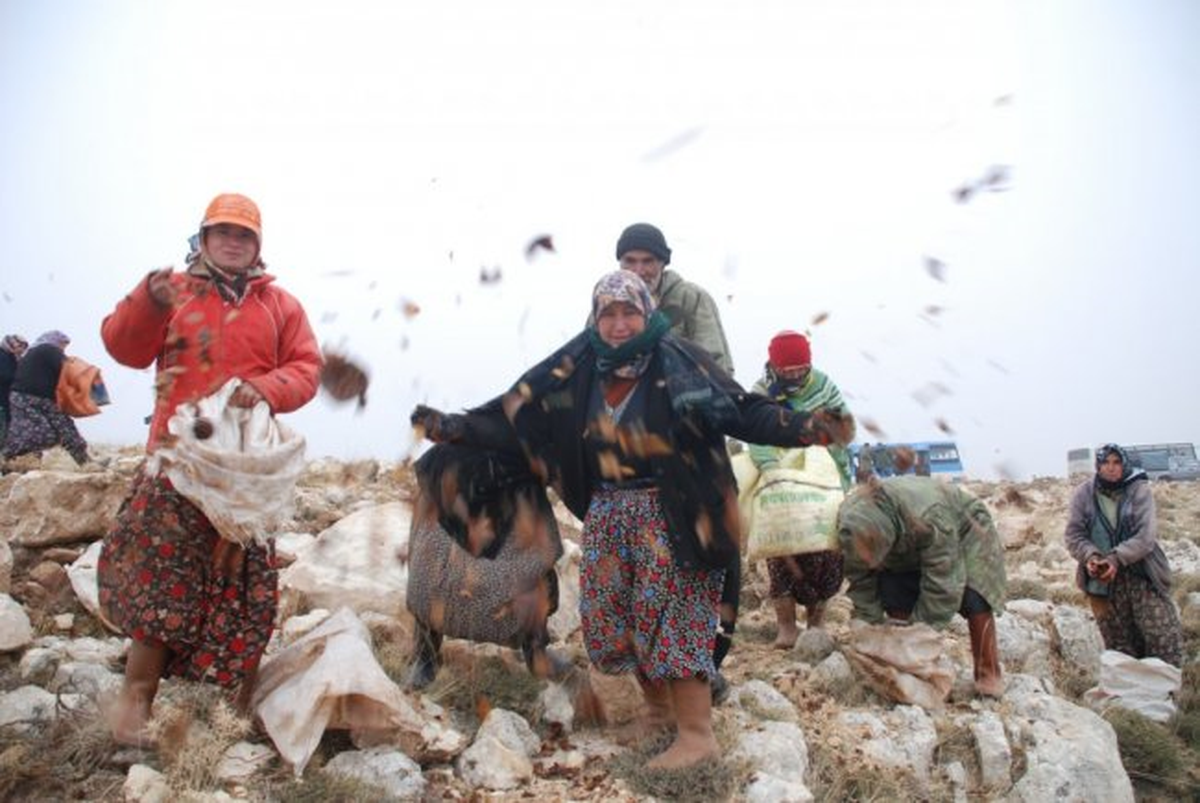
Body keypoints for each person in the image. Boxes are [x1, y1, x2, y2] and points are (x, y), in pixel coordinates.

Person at [413, 270, 853, 769]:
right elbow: (519, 415)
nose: (619, 324)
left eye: (629, 312)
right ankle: (659, 714)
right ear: (595, 318)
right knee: (618, 618)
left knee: (677, 617)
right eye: (608, 313)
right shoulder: (579, 365)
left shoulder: (679, 360)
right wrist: (455, 427)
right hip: (608, 514)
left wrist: (804, 426)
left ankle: (697, 736)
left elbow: (741, 409)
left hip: (675, 514)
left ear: (647, 313)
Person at [97, 193, 322, 747]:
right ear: (202, 238)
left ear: (257, 245)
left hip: (245, 475)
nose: (232, 242)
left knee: (245, 593)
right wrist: (146, 301)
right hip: (175, 460)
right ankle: (135, 707)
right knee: (160, 583)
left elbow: (306, 369)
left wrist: (267, 387)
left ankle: (230, 718)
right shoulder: (172, 291)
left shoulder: (280, 306)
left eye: (244, 235)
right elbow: (123, 348)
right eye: (222, 232)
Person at [837, 475, 1007, 697]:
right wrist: (869, 628)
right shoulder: (851, 526)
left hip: (965, 529)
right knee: (894, 590)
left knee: (975, 595)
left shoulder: (930, 516)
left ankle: (988, 672)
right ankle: (908, 667)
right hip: (904, 540)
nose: (871, 563)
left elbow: (943, 584)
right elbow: (860, 578)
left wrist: (920, 634)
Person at [748, 331, 854, 648]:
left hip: (823, 478)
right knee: (783, 547)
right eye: (788, 370)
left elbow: (842, 428)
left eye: (800, 369)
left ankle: (816, 624)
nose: (795, 376)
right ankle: (786, 627)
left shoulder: (823, 386)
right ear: (774, 366)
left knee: (827, 549)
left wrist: (831, 468)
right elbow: (754, 431)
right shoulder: (761, 391)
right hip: (782, 479)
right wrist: (773, 469)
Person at [1063, 444, 1183, 667]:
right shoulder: (1083, 494)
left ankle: (1165, 686)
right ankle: (1129, 688)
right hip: (1102, 583)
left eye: (1116, 462)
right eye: (1105, 462)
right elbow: (1073, 535)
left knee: (1161, 639)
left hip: (1142, 576)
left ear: (1124, 465)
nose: (1111, 468)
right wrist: (1091, 557)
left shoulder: (1139, 490)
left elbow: (1145, 536)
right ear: (1098, 465)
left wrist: (1115, 558)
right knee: (1120, 647)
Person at [615, 223, 735, 376]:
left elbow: (716, 365)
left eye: (648, 261)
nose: (639, 271)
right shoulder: (604, 307)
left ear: (662, 263)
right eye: (630, 261)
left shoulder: (692, 298)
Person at [2, 330, 90, 465]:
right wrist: (90, 383)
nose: (63, 348)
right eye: (63, 344)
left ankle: (86, 462)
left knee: (65, 427)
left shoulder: (33, 353)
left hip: (43, 398)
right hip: (27, 398)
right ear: (55, 341)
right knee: (42, 432)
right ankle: (8, 458)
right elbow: (68, 369)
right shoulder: (47, 349)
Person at [0, 334, 28, 450]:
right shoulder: (3, 356)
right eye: (20, 346)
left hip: (8, 399)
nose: (22, 350)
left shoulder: (13, 358)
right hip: (2, 398)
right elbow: (5, 376)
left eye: (24, 348)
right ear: (13, 344)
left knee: (8, 426)